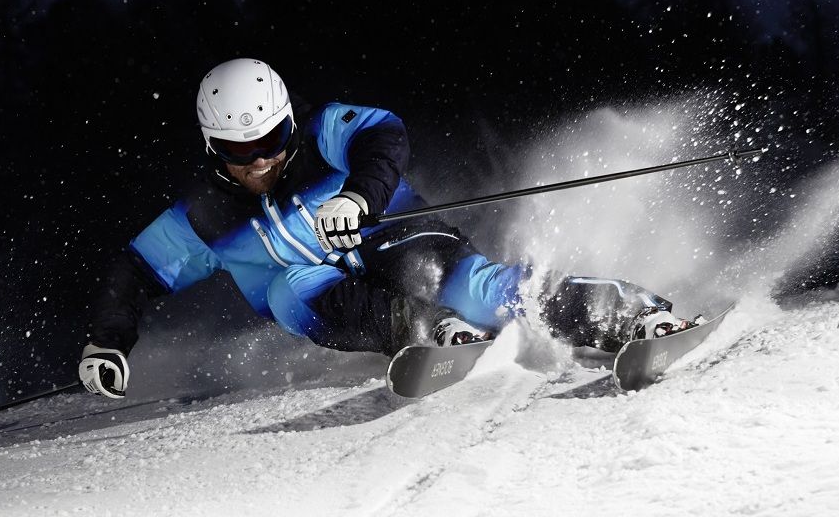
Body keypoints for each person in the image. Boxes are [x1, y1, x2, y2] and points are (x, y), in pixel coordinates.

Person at [79, 58, 687, 398]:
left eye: (271, 140)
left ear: (289, 124)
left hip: (394, 236)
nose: (261, 159)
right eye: (242, 150)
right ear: (214, 149)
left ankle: (626, 313)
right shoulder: (205, 219)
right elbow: (134, 272)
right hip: (334, 292)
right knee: (286, 291)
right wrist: (107, 341)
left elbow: (383, 132)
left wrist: (358, 197)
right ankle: (427, 332)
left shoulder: (323, 135)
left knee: (475, 290)